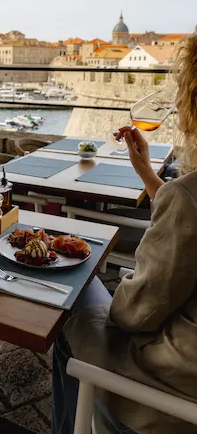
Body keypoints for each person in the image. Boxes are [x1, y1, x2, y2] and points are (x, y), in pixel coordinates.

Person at [53, 32, 197, 434]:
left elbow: (136, 312)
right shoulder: (184, 197)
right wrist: (147, 173)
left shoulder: (189, 196)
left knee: (73, 303)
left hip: (173, 388)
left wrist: (127, 283)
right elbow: (184, 217)